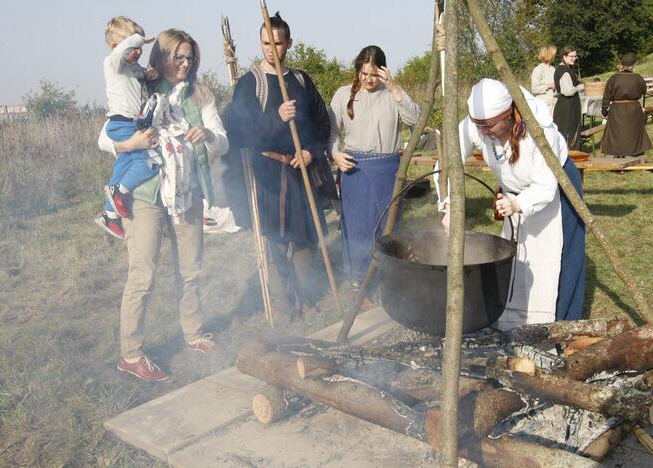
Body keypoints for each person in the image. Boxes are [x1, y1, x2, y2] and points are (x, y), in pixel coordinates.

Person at [98, 29, 229, 381]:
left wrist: (210, 136)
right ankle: (131, 354)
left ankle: (193, 333)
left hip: (186, 191)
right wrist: (133, 143)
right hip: (146, 194)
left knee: (191, 268)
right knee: (143, 274)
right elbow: (104, 138)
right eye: (179, 57)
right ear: (164, 56)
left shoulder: (200, 96)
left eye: (191, 58)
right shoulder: (142, 86)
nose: (186, 64)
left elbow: (223, 140)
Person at [438, 79, 586, 330]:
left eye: (490, 126)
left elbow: (544, 187)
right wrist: (448, 202)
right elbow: (449, 158)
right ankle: (514, 323)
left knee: (555, 261)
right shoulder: (478, 125)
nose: (483, 132)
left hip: (556, 190)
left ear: (509, 116)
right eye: (479, 126)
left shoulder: (538, 131)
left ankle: (559, 328)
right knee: (518, 257)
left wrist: (518, 204)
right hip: (514, 195)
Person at [222, 12, 331, 319]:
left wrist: (311, 151)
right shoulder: (249, 84)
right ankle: (283, 304)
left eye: (278, 43)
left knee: (307, 238)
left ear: (289, 43)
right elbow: (239, 133)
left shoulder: (300, 81)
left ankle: (305, 294)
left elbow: (323, 124)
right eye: (266, 43)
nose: (271, 50)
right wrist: (276, 118)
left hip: (302, 170)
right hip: (269, 174)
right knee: (275, 240)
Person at [328, 46, 420, 285]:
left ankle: (387, 279)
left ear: (383, 72)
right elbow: (332, 131)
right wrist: (335, 154)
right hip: (353, 170)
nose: (369, 79)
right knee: (357, 228)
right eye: (364, 73)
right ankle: (359, 280)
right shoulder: (343, 95)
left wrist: (394, 89)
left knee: (387, 226)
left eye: (374, 74)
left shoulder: (392, 95)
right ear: (358, 69)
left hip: (387, 171)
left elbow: (417, 122)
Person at [94, 16, 160, 240]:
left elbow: (140, 80)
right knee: (148, 162)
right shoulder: (113, 63)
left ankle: (109, 214)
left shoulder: (133, 68)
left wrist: (148, 75)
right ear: (116, 47)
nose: (139, 50)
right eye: (134, 46)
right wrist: (138, 39)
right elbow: (123, 49)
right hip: (121, 122)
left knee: (123, 166)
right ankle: (120, 191)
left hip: (131, 122)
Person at [600, 53, 652, 157]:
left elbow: (606, 96)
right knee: (632, 133)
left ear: (622, 65)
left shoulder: (614, 78)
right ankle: (633, 154)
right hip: (633, 109)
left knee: (618, 134)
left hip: (617, 110)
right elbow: (643, 91)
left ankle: (618, 154)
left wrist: (604, 110)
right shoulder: (638, 78)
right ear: (633, 65)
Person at [553, 46, 586, 150]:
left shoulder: (566, 69)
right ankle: (569, 160)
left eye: (575, 56)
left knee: (570, 132)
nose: (574, 58)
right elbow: (567, 91)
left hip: (568, 106)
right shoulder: (564, 71)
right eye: (571, 56)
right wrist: (579, 87)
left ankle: (571, 158)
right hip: (567, 108)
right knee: (567, 133)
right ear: (564, 56)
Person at [530, 45, 557, 116]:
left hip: (554, 102)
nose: (554, 56)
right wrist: (548, 86)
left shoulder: (553, 69)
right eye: (553, 54)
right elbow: (534, 89)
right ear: (548, 55)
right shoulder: (538, 69)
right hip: (544, 105)